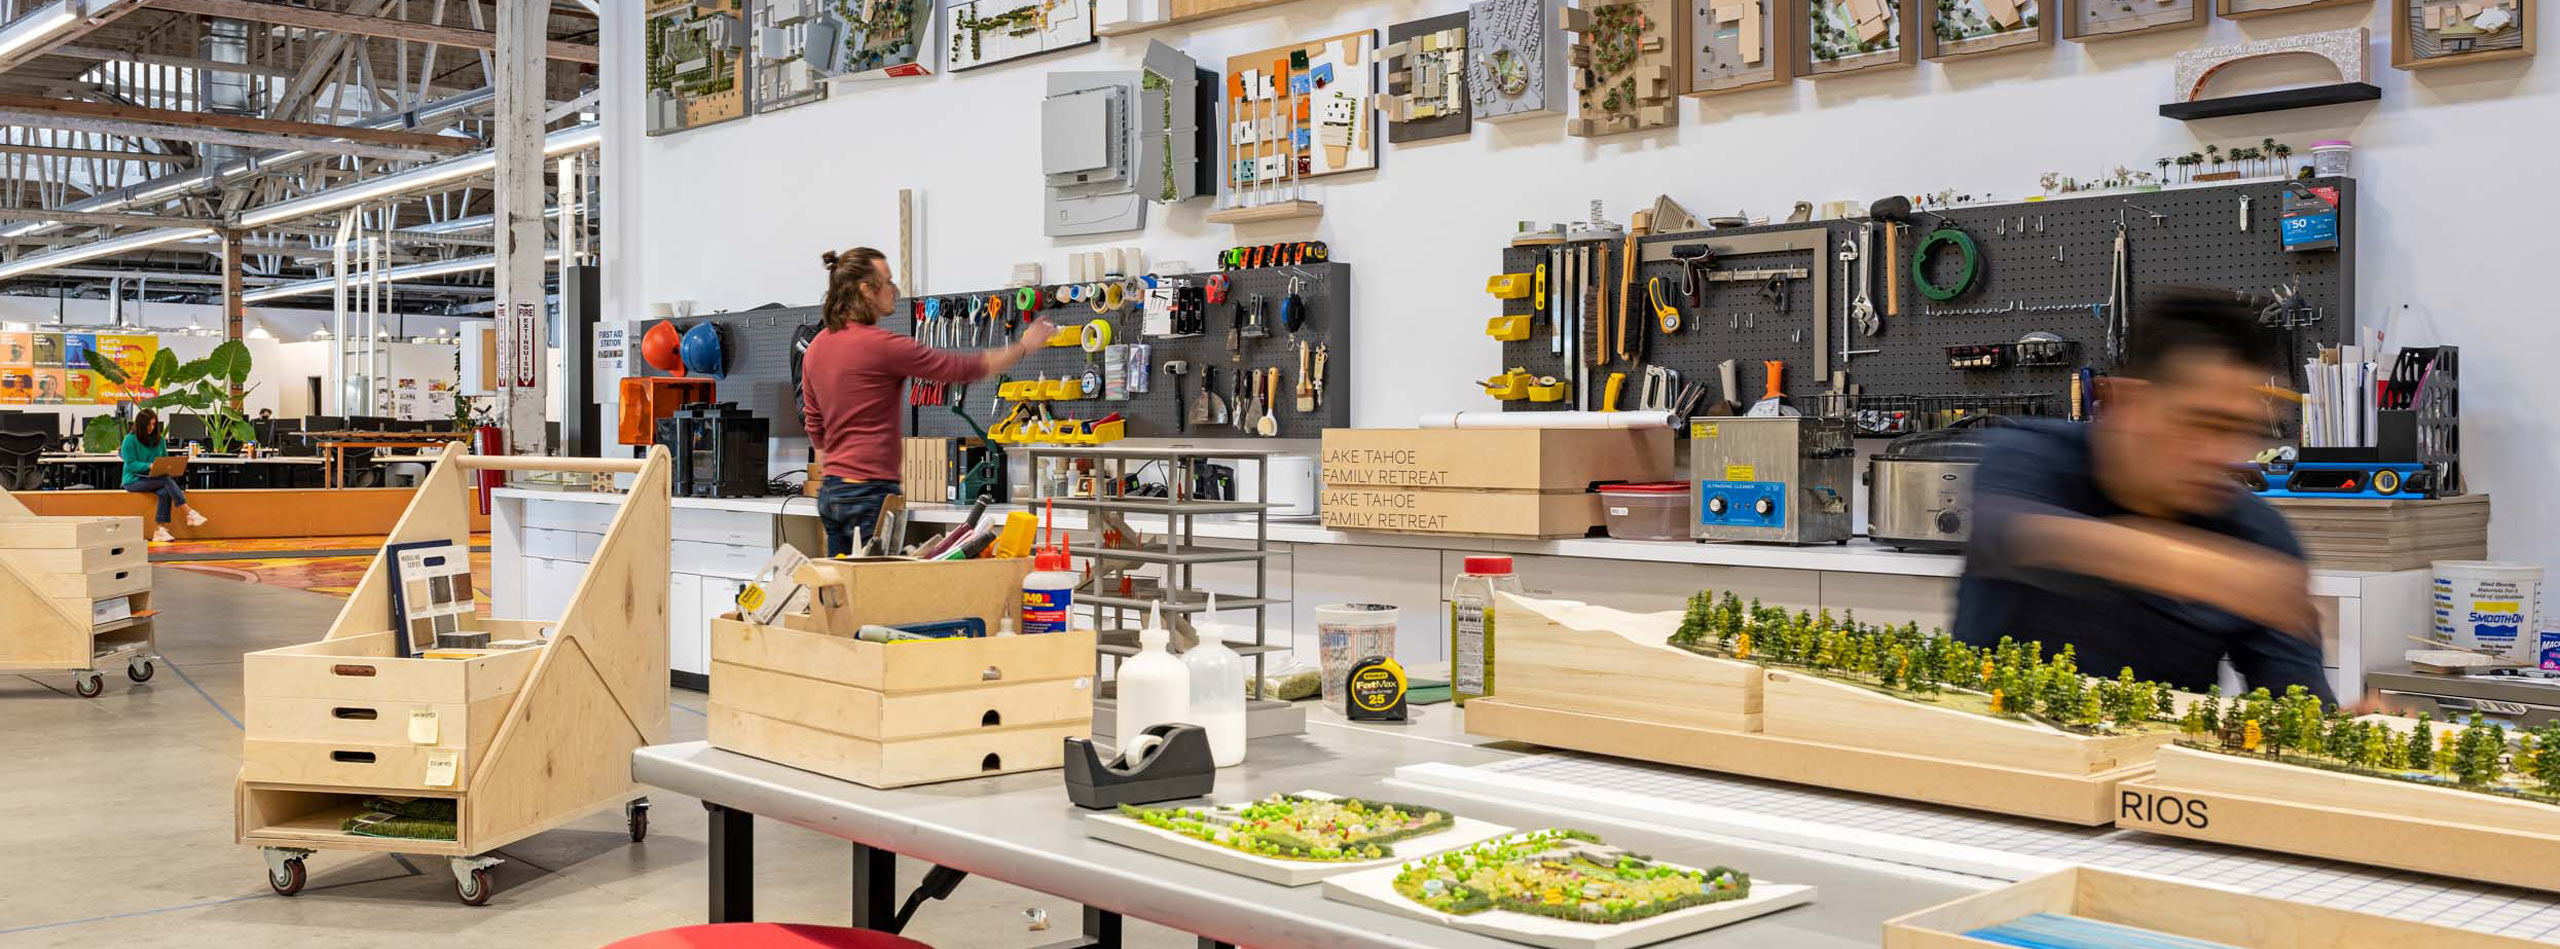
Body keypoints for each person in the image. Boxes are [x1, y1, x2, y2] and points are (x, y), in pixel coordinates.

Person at [1953, 286, 2334, 704]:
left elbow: (2294, 705)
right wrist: (2210, 573)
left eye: (2239, 430)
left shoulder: (2256, 532)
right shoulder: (2029, 457)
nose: (2222, 454)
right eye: (2201, 423)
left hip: (2148, 763)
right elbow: (2015, 537)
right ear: (2127, 401)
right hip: (1990, 750)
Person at [800, 247, 1057, 557]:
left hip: (832, 492)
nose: (895, 290)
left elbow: (813, 422)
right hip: (869, 494)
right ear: (866, 290)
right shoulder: (883, 346)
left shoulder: (816, 347)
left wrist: (838, 468)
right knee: (875, 595)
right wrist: (1023, 347)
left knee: (839, 593)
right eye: (888, 282)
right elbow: (961, 369)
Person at [121, 408, 208, 542]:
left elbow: (164, 460)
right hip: (133, 480)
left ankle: (159, 530)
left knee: (164, 491)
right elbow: (131, 464)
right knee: (165, 481)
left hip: (154, 478)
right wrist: (149, 466)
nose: (151, 428)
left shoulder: (159, 439)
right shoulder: (130, 440)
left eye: (154, 424)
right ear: (140, 425)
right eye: (148, 425)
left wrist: (168, 466)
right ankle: (189, 512)